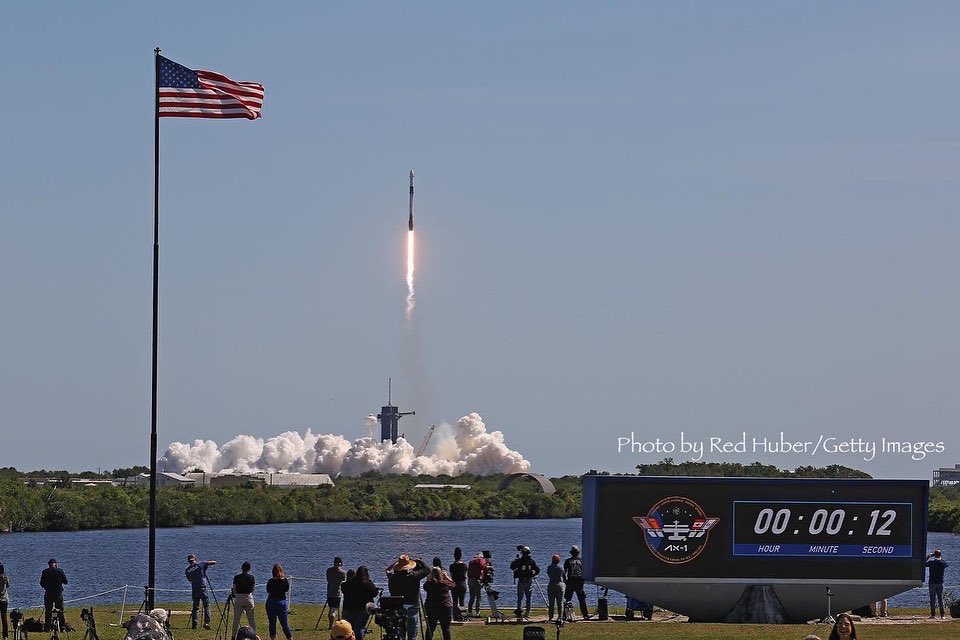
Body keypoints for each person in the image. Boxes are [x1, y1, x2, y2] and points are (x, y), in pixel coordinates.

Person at [386, 554, 429, 640]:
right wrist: (419, 561)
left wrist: (396, 563)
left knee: (400, 635)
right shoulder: (414, 576)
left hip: (399, 608)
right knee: (412, 635)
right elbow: (428, 570)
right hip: (412, 606)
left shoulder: (393, 578)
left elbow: (387, 570)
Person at [341, 566, 378, 640]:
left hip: (348, 608)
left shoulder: (350, 582)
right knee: (359, 628)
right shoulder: (368, 583)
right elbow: (375, 593)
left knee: (348, 628)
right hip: (362, 609)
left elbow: (343, 589)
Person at [185, 554, 216, 630]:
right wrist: (205, 568)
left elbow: (189, 580)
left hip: (194, 589)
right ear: (195, 559)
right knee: (207, 605)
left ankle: (194, 624)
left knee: (195, 607)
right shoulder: (201, 564)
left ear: (188, 561)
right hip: (202, 588)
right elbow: (214, 562)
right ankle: (207, 622)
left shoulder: (187, 570)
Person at [422, 567, 455, 640]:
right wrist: (446, 577)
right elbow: (453, 585)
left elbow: (425, 587)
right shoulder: (444, 583)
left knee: (430, 628)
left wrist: (429, 578)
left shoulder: (429, 584)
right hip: (445, 607)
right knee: (446, 629)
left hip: (432, 608)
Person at [509, 547, 540, 619]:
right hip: (529, 580)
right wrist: (533, 575)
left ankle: (519, 612)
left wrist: (515, 560)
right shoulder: (531, 561)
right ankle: (527, 612)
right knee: (528, 597)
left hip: (521, 581)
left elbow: (512, 567)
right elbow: (537, 570)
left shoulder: (519, 561)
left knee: (520, 597)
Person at [265, 564, 293, 640]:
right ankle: (290, 638)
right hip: (282, 603)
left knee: (272, 623)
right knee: (284, 623)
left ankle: (273, 638)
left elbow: (268, 590)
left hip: (272, 602)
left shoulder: (270, 581)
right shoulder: (285, 580)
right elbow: (286, 590)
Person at [40, 558, 67, 631]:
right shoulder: (60, 571)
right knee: (60, 610)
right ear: (56, 564)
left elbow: (42, 583)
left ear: (49, 565)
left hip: (48, 593)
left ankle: (47, 627)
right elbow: (65, 581)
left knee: (48, 611)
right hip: (58, 593)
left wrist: (46, 586)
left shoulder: (45, 572)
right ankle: (62, 627)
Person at [231, 561, 256, 640]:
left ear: (242, 568)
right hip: (248, 597)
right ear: (249, 569)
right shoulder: (252, 577)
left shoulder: (236, 577)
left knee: (236, 619)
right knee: (251, 619)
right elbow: (252, 589)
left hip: (239, 598)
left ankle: (233, 636)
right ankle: (253, 636)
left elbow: (234, 590)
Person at [562, 546, 589, 619]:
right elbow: (585, 571)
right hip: (579, 582)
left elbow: (564, 573)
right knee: (582, 600)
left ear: (571, 553)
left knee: (567, 599)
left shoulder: (568, 561)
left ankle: (565, 615)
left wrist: (565, 581)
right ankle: (585, 615)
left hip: (570, 582)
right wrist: (584, 580)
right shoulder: (582, 561)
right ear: (578, 553)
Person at [926, 549, 949, 619]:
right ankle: (942, 615)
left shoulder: (931, 563)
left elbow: (923, 563)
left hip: (932, 583)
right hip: (940, 583)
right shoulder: (942, 563)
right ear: (940, 555)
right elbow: (947, 564)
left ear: (934, 555)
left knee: (932, 599)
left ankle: (933, 615)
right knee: (940, 599)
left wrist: (928, 557)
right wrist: (939, 557)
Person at [326, 557, 347, 629]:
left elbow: (328, 580)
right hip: (337, 594)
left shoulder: (329, 571)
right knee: (333, 610)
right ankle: (331, 626)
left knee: (331, 609)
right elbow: (344, 582)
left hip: (329, 593)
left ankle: (331, 625)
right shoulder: (343, 573)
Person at [448, 548, 467, 622]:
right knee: (462, 601)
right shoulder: (464, 565)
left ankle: (455, 617)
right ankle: (461, 616)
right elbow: (465, 574)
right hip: (462, 584)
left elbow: (451, 576)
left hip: (455, 584)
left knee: (455, 601)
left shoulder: (452, 566)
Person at [545, 554, 564, 621]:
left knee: (551, 602)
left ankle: (550, 617)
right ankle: (560, 617)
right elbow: (563, 574)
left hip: (551, 584)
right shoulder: (561, 567)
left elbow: (548, 574)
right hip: (559, 584)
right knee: (560, 602)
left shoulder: (549, 567)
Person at [1, 563, 9, 640]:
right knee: (4, 618)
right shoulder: (5, 577)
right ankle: (5, 635)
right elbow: (8, 586)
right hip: (4, 599)